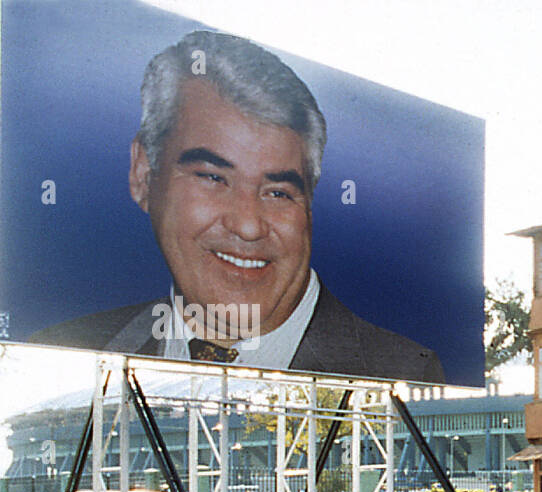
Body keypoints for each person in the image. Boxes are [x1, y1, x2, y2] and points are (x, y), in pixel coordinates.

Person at [27, 30, 444, 384]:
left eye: (278, 191)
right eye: (212, 177)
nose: (247, 225)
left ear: (310, 208)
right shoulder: (61, 351)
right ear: (142, 173)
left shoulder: (404, 370)